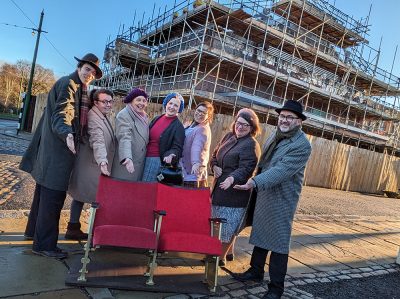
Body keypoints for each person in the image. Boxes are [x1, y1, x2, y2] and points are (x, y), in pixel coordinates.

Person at [20, 53, 102, 259]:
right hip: (58, 152)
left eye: (93, 72)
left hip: (52, 152)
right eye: (87, 69)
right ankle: (44, 245)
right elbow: (62, 113)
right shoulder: (69, 85)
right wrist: (67, 134)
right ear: (80, 66)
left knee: (42, 197)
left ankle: (32, 233)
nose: (90, 74)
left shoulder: (78, 87)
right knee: (53, 199)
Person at [233, 100, 312, 299]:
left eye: (289, 117)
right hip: (264, 192)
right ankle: (256, 271)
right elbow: (264, 163)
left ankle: (276, 288)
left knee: (278, 241)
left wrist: (254, 182)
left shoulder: (302, 145)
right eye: (282, 116)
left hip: (282, 197)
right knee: (262, 231)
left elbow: (281, 171)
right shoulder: (276, 135)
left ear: (299, 121)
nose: (284, 120)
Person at [209, 108, 261, 266]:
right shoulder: (228, 136)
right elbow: (214, 154)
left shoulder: (251, 145)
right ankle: (227, 251)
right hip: (219, 188)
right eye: (238, 123)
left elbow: (246, 168)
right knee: (217, 222)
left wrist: (232, 178)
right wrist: (214, 166)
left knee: (229, 226)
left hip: (236, 192)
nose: (240, 127)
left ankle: (220, 257)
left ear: (252, 128)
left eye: (245, 125)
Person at [66, 88, 116, 240]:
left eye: (110, 101)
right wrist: (102, 160)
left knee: (80, 196)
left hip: (91, 164)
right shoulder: (94, 117)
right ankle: (95, 233)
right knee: (90, 198)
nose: (108, 104)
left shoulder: (101, 114)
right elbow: (97, 139)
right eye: (104, 101)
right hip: (93, 165)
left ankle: (74, 228)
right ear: (95, 102)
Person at [142, 93, 185, 182]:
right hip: (143, 157)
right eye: (170, 103)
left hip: (156, 161)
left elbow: (177, 148)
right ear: (166, 104)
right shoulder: (157, 118)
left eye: (176, 105)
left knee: (146, 188)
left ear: (179, 109)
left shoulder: (178, 126)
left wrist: (172, 154)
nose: (172, 107)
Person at [111, 88, 149, 181]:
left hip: (139, 163)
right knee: (121, 191)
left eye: (144, 100)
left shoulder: (144, 116)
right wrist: (127, 157)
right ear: (131, 100)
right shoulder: (124, 115)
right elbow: (124, 137)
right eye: (138, 100)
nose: (141, 103)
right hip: (127, 163)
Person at [180, 101, 214, 188]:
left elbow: (197, 147)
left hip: (193, 175)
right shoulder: (193, 125)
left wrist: (195, 162)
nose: (200, 114)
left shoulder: (202, 129)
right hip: (185, 171)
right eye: (198, 110)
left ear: (208, 116)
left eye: (204, 112)